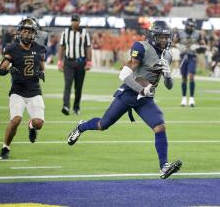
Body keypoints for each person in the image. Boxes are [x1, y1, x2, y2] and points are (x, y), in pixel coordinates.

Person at [66, 20, 182, 179]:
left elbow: (169, 86)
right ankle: (81, 127)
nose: (164, 40)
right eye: (161, 37)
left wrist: (168, 75)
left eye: (166, 37)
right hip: (129, 93)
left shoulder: (167, 54)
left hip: (145, 99)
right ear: (153, 36)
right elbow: (124, 74)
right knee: (102, 125)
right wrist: (141, 89)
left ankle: (164, 166)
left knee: (159, 127)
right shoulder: (141, 47)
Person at [0, 18, 46, 159]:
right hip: (18, 90)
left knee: (39, 124)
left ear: (34, 33)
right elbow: (0, 70)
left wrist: (42, 73)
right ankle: (5, 147)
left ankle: (31, 126)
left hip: (34, 90)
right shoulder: (12, 48)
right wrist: (9, 70)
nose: (27, 34)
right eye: (24, 31)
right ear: (19, 32)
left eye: (29, 31)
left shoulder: (39, 48)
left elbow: (42, 68)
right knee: (16, 119)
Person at [57, 14, 92, 115]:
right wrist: (60, 61)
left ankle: (76, 107)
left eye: (76, 21)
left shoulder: (84, 33)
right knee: (68, 84)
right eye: (73, 21)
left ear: (79, 22)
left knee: (78, 86)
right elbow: (62, 47)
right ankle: (66, 106)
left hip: (81, 62)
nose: (74, 23)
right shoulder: (66, 32)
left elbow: (88, 47)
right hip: (68, 62)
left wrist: (89, 62)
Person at [175, 18, 198, 107]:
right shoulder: (180, 33)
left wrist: (198, 46)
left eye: (192, 26)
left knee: (191, 76)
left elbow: (204, 44)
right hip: (183, 57)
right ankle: (184, 98)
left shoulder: (197, 34)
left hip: (192, 57)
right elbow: (172, 43)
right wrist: (179, 45)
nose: (191, 27)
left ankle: (191, 98)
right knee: (184, 78)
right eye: (189, 25)